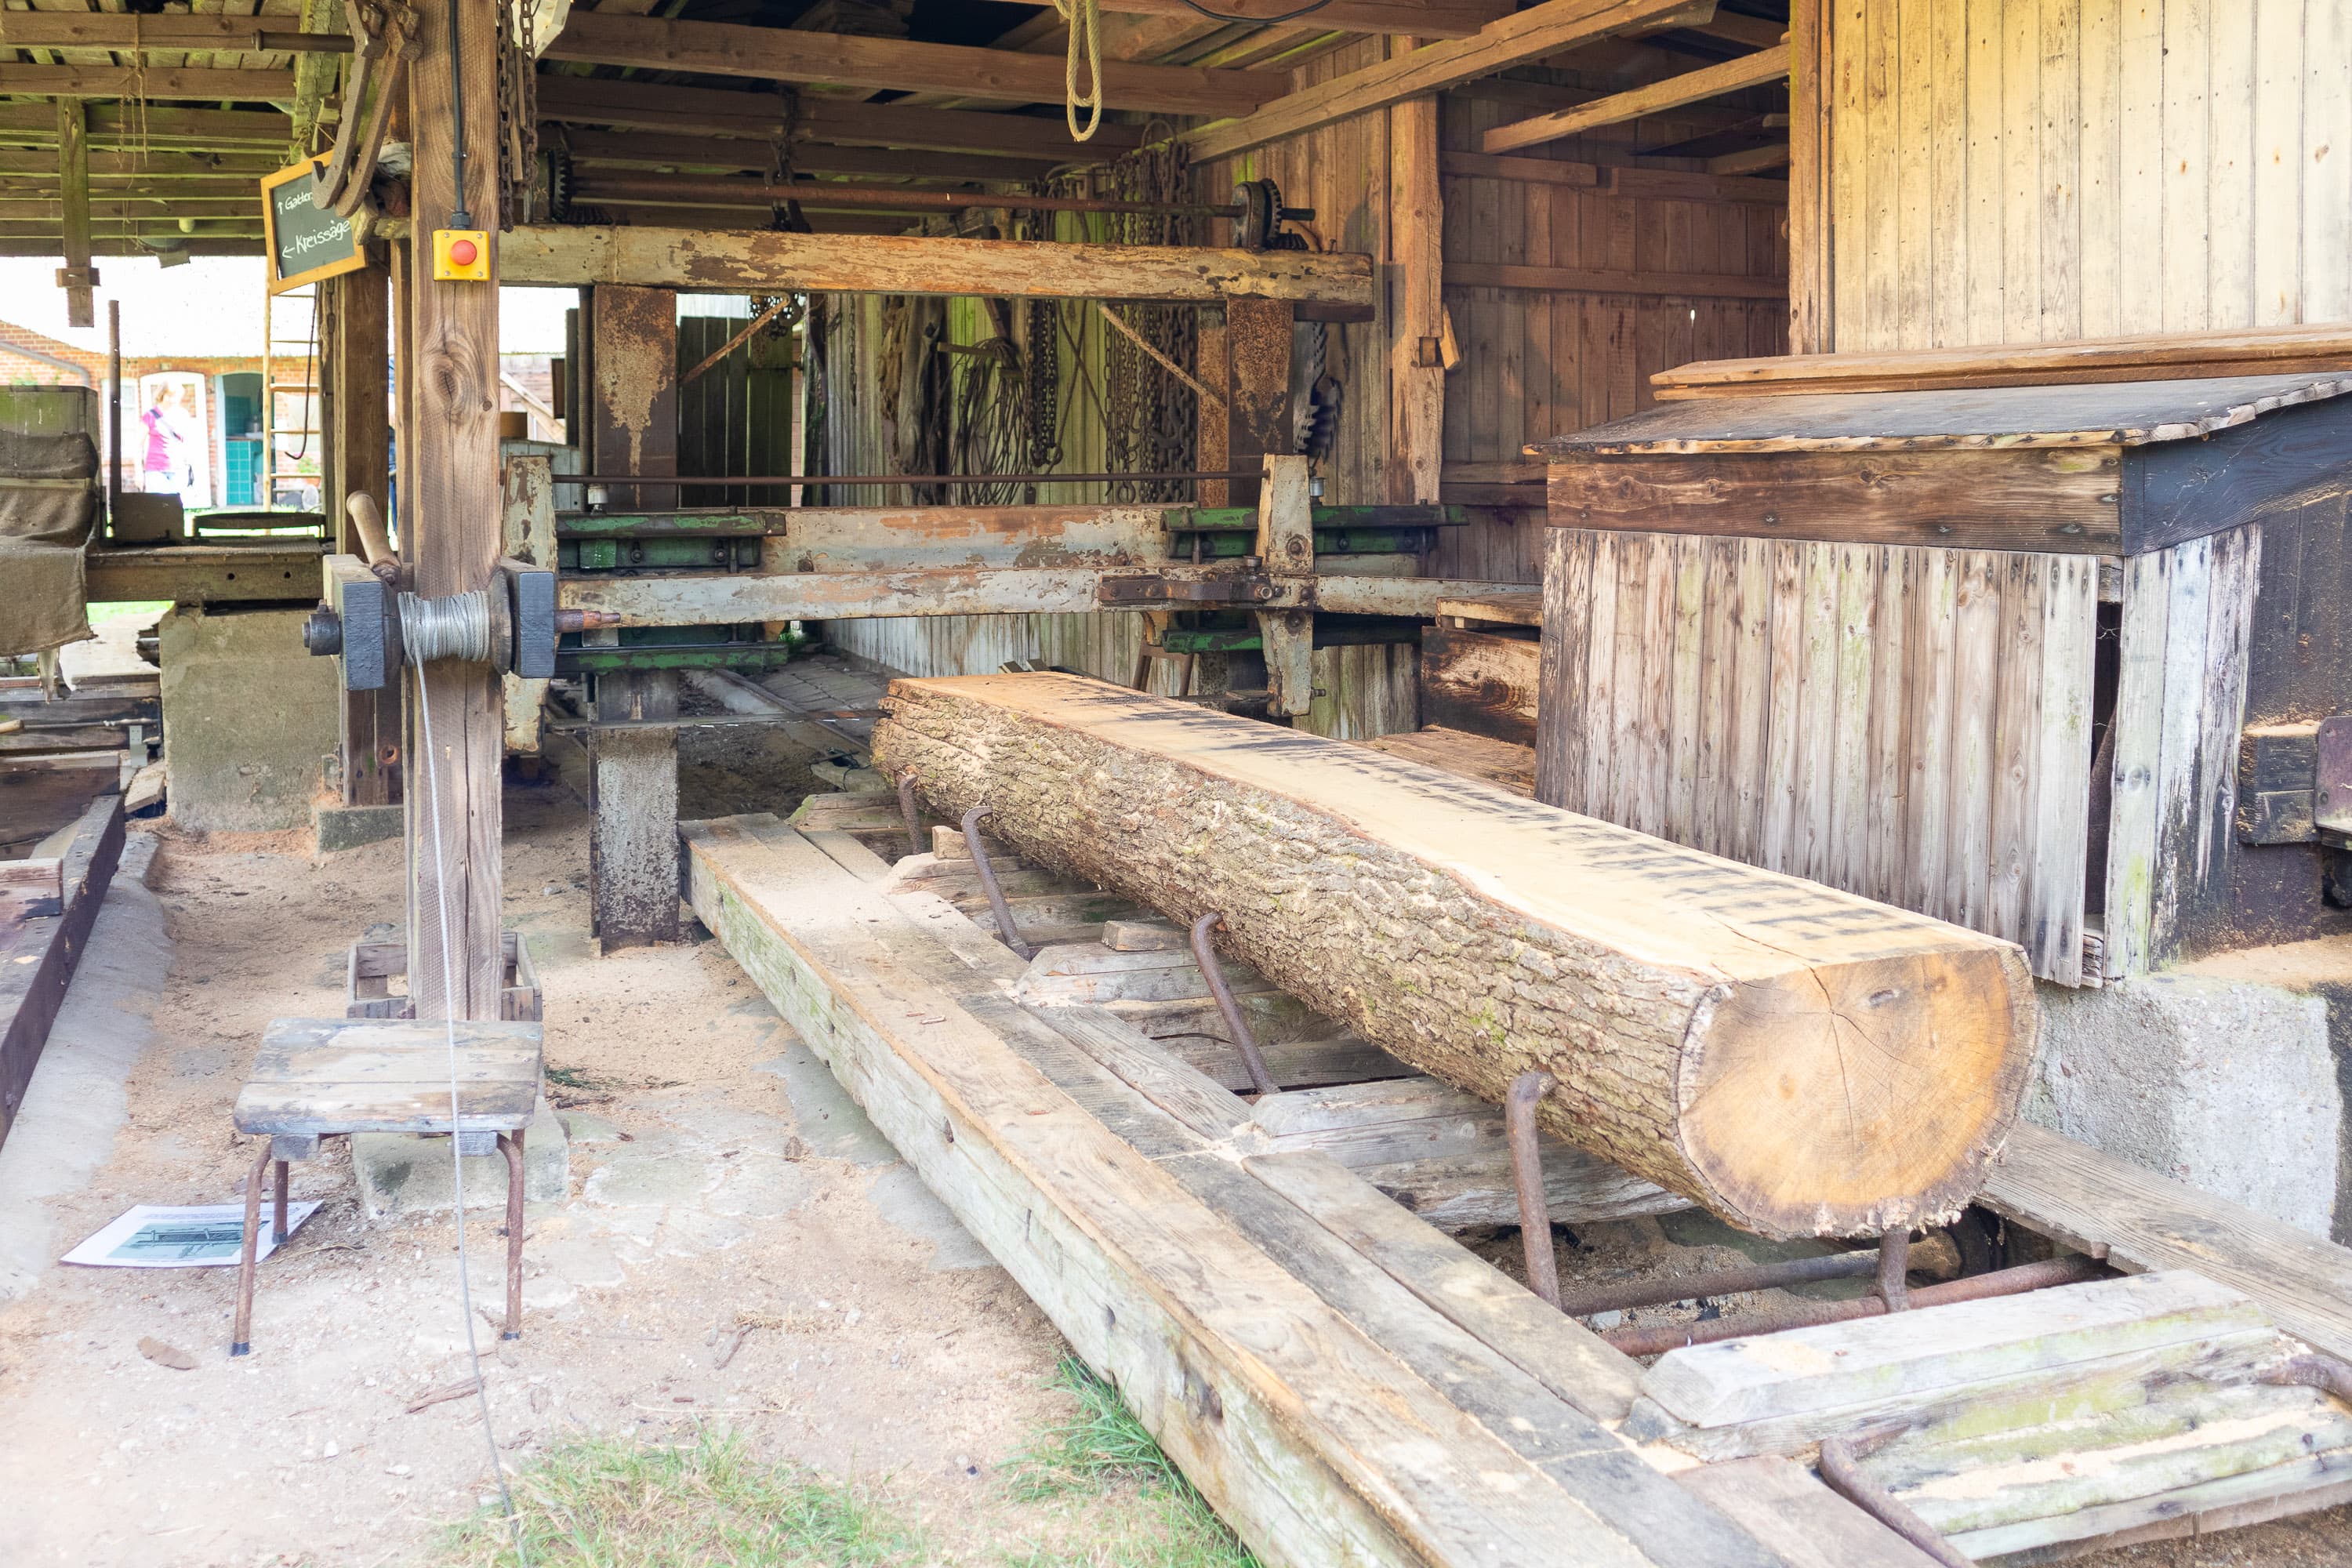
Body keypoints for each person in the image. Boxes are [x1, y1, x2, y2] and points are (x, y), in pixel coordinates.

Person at [139, 384, 187, 498]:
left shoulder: (182, 415)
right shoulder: (149, 416)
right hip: (155, 470)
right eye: (169, 396)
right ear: (161, 395)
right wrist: (138, 473)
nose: (173, 400)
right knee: (160, 509)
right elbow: (138, 446)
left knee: (177, 510)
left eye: (176, 397)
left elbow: (186, 442)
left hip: (178, 468)